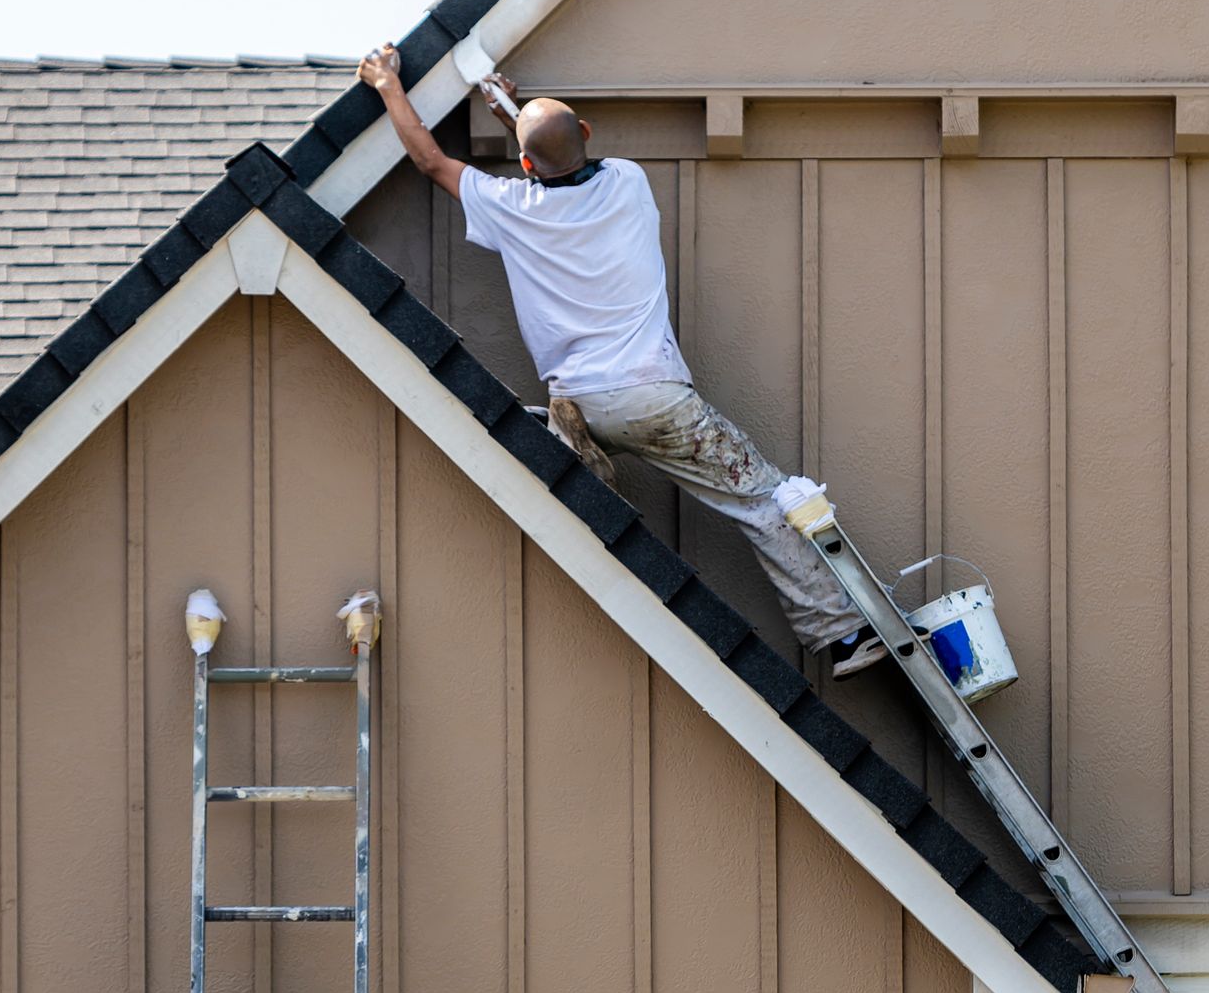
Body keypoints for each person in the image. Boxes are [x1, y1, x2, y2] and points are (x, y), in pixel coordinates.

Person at [356, 42, 885, 673]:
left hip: (578, 410)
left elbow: (431, 160)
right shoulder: (628, 181)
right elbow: (560, 155)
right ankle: (842, 633)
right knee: (762, 497)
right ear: (586, 132)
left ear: (523, 161)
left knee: (593, 517)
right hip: (655, 396)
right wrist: (513, 109)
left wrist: (389, 83)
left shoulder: (511, 208)